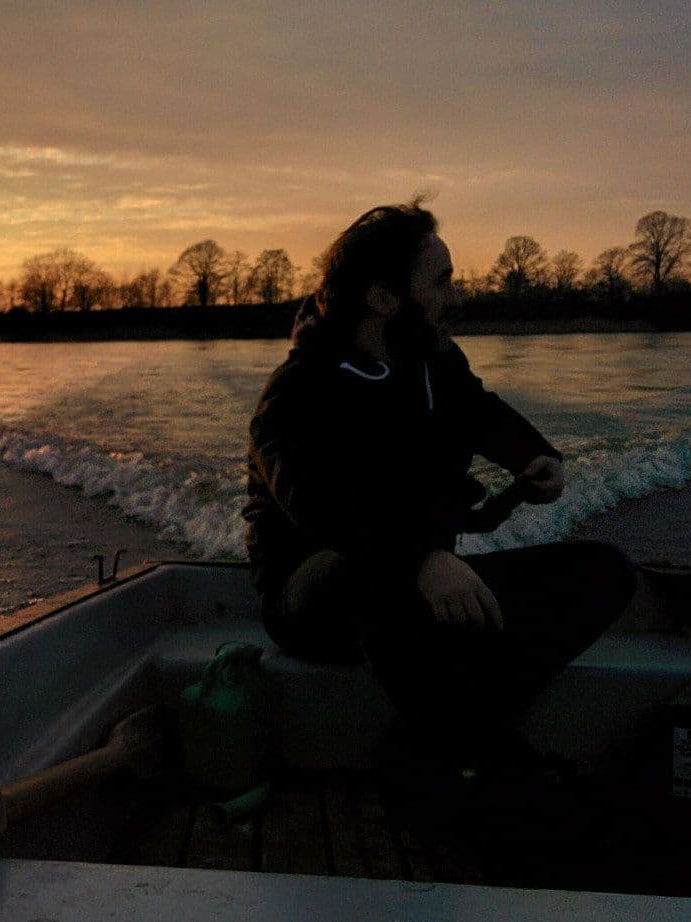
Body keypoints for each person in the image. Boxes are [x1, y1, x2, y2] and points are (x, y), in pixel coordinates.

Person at [243, 200, 636, 785]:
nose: (455, 297)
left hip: (421, 575)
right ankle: (463, 757)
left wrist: (536, 455)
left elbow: (480, 412)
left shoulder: (433, 360)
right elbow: (319, 509)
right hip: (316, 594)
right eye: (442, 282)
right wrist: (420, 561)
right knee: (379, 585)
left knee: (606, 571)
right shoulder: (300, 389)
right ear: (382, 298)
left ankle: (441, 737)